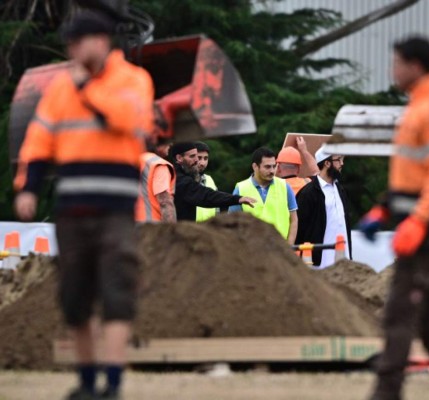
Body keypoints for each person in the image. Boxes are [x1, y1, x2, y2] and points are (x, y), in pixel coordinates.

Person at [13, 10, 154, 400]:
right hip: (72, 209)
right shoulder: (61, 87)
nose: (72, 50)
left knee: (116, 290)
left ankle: (112, 384)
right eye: (69, 44)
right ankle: (87, 382)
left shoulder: (133, 80)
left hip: (116, 211)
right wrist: (28, 188)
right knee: (74, 296)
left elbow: (127, 119)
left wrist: (84, 90)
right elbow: (39, 142)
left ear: (101, 40)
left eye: (78, 42)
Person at [359, 36, 429, 400]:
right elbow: (415, 174)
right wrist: (384, 208)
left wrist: (418, 221)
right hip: (420, 228)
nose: (393, 69)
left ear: (415, 65)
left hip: (426, 233)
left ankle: (386, 392)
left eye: (397, 62)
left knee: (399, 313)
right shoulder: (423, 105)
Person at [295, 146, 351, 268]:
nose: (342, 164)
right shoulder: (309, 193)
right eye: (338, 160)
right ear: (327, 163)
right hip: (318, 262)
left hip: (342, 258)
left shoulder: (340, 190)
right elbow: (300, 228)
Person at [230, 147, 298, 244]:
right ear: (255, 166)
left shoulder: (285, 186)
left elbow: (294, 220)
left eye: (274, 166)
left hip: (280, 251)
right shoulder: (241, 189)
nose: (272, 171)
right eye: (267, 167)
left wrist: (289, 247)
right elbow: (232, 223)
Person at [172, 142, 255, 221]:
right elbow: (206, 196)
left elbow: (213, 203)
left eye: (204, 158)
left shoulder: (204, 178)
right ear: (179, 158)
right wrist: (236, 199)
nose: (198, 161)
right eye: (192, 156)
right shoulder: (178, 178)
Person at [135, 141, 176, 223]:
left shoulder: (131, 160)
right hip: (152, 227)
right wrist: (171, 230)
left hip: (128, 224)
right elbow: (165, 202)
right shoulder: (159, 165)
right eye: (165, 140)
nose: (171, 144)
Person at [194, 141, 219, 222]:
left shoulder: (210, 180)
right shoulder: (182, 181)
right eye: (199, 158)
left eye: (205, 158)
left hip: (208, 231)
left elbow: (216, 209)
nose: (203, 163)